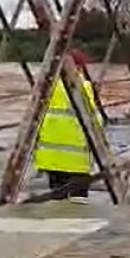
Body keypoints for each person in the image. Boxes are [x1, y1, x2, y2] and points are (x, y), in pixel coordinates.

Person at [34, 49, 102, 200]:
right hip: (75, 160)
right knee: (78, 204)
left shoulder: (45, 88)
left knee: (57, 200)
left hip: (50, 159)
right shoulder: (85, 88)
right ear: (77, 67)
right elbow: (96, 124)